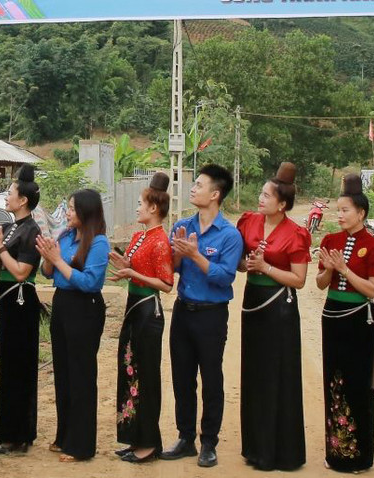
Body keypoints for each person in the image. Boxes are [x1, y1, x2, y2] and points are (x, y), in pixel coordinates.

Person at [162, 163, 243, 469]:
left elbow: (224, 277)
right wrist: (180, 255)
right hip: (184, 310)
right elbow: (173, 269)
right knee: (182, 378)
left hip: (211, 315)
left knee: (211, 378)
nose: (193, 188)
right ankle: (185, 438)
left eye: (199, 184)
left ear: (215, 194)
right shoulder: (183, 225)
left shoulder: (230, 235)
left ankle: (208, 441)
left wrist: (196, 255)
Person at [236, 161, 310, 472]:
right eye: (261, 193)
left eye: (267, 195)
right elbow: (239, 263)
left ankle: (280, 452)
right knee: (253, 374)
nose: (260, 198)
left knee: (278, 375)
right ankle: (255, 447)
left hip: (279, 308)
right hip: (253, 303)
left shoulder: (296, 234)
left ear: (282, 204)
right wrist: (247, 265)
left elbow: (299, 279)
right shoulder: (248, 222)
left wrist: (266, 268)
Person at [314, 173, 374, 473]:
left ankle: (359, 457)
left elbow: (372, 289)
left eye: (346, 210)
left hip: (359, 320)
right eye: (338, 210)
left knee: (358, 384)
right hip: (332, 316)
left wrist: (344, 269)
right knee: (333, 382)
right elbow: (320, 284)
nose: (340, 215)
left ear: (361, 213)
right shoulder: (330, 240)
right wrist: (330, 270)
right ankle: (335, 454)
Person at [37, 188, 110, 463]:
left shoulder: (99, 243)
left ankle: (81, 445)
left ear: (86, 212)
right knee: (64, 373)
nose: (66, 212)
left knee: (81, 375)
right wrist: (48, 257)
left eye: (71, 208)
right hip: (63, 304)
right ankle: (64, 434)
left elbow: (89, 282)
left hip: (85, 308)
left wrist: (57, 261)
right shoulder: (66, 236)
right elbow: (48, 273)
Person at [110, 172, 175, 464]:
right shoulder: (139, 236)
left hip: (149, 310)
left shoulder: (161, 240)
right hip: (134, 308)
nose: (136, 208)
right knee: (129, 370)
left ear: (154, 208)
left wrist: (132, 273)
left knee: (146, 376)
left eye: (140, 203)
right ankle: (134, 437)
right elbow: (137, 268)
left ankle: (149, 444)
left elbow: (166, 283)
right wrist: (125, 264)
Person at [0, 166, 43, 455]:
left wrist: (1, 249)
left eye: (10, 193)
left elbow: (21, 272)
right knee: (5, 367)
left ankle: (20, 434)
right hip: (7, 302)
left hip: (22, 304)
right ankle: (5, 430)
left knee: (20, 368)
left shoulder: (32, 230)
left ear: (23, 201)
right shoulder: (7, 228)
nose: (6, 196)